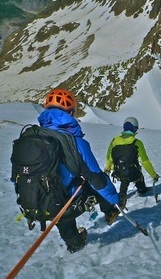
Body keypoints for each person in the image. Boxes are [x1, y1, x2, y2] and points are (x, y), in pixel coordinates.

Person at [34, 89, 119, 252]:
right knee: (92, 186)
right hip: (65, 204)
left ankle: (74, 242)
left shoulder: (35, 136)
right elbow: (97, 179)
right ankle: (110, 211)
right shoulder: (75, 142)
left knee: (57, 197)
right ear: (71, 112)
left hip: (37, 202)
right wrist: (115, 198)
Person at [104, 117, 159, 208]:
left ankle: (121, 195)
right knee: (137, 174)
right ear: (135, 129)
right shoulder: (137, 143)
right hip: (133, 173)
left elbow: (108, 159)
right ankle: (142, 189)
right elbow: (145, 162)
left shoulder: (114, 141)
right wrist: (154, 175)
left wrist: (107, 170)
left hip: (117, 172)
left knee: (124, 175)